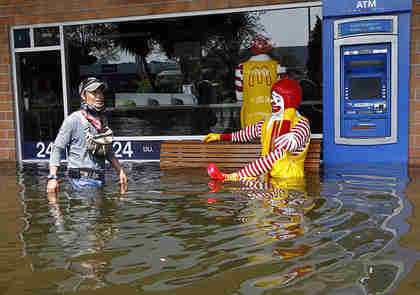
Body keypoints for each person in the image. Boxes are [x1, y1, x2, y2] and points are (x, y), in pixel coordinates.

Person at [204, 77, 311, 182]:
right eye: (272, 97)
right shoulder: (268, 122)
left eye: (278, 99)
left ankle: (231, 177)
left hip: (290, 180)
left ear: (289, 101)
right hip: (266, 178)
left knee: (278, 154)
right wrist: (219, 136)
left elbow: (284, 146)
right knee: (250, 197)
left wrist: (287, 116)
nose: (273, 102)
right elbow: (246, 134)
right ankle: (239, 177)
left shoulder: (301, 123)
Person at [46, 77, 128, 194]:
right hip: (81, 182)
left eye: (100, 92)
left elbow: (108, 151)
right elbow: (57, 148)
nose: (99, 96)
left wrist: (120, 171)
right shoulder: (73, 120)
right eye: (94, 93)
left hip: (99, 179)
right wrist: (52, 178)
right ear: (83, 96)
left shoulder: (102, 120)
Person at [235, 35, 287, 128]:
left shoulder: (241, 68)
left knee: (251, 140)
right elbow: (283, 94)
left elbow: (239, 96)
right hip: (273, 117)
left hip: (250, 117)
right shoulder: (279, 66)